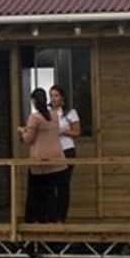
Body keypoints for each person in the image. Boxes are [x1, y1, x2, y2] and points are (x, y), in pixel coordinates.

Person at [19, 88, 67, 223]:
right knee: (50, 191)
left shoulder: (34, 117)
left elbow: (29, 139)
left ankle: (34, 219)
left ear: (34, 101)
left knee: (35, 192)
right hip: (55, 158)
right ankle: (52, 218)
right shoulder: (54, 115)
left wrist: (23, 131)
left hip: (39, 159)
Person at [49, 84, 81, 221]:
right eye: (51, 95)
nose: (53, 98)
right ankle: (50, 216)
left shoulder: (69, 113)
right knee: (51, 184)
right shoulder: (46, 113)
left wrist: (64, 131)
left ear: (62, 97)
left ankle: (61, 217)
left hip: (67, 149)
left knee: (63, 184)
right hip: (51, 151)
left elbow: (77, 132)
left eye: (56, 95)